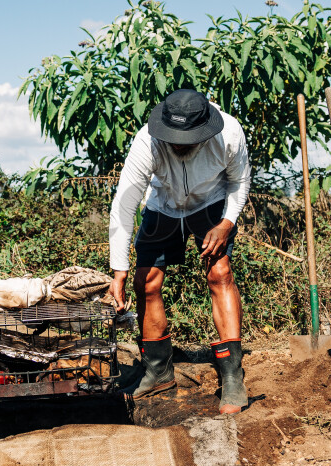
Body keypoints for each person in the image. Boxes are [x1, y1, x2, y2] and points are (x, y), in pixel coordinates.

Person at [108, 89, 252, 414]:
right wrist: (119, 269)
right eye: (174, 137)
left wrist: (227, 223)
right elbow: (124, 204)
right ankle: (158, 372)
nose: (179, 144)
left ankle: (232, 376)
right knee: (146, 282)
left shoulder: (229, 134)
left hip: (211, 202)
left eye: (187, 139)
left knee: (220, 274)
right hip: (164, 205)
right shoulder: (147, 142)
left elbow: (239, 181)